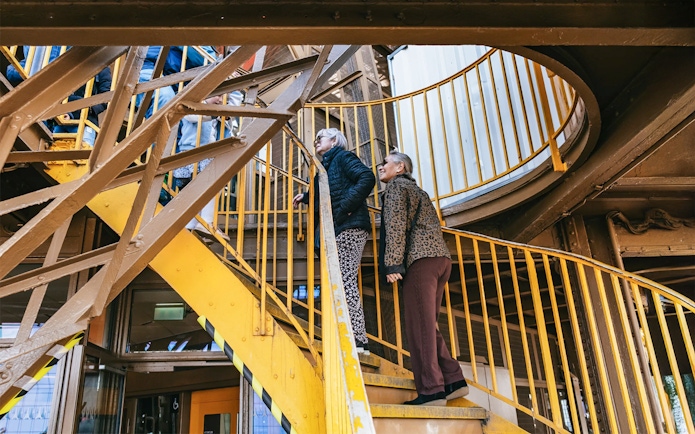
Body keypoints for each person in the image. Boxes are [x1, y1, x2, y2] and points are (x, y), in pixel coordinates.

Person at [378, 150, 469, 406]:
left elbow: (396, 224)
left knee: (419, 327)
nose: (380, 167)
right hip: (440, 260)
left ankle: (431, 390)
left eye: (385, 163)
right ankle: (453, 380)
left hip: (421, 262)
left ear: (400, 168)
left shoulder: (397, 188)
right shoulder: (418, 191)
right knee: (428, 323)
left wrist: (392, 263)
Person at [292, 128, 376, 354]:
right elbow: (328, 191)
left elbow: (367, 177)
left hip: (349, 226)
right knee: (341, 281)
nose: (317, 140)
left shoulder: (342, 157)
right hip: (340, 227)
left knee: (345, 280)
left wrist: (344, 208)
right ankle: (353, 338)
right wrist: (307, 197)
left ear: (335, 140)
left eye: (322, 137)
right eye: (316, 137)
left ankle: (358, 340)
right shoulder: (325, 167)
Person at [172, 94, 229, 242]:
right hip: (192, 153)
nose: (220, 100)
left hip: (204, 154)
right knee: (213, 183)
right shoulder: (194, 107)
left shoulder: (212, 112)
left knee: (200, 192)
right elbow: (194, 117)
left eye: (223, 97)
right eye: (217, 95)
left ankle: (192, 226)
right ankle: (207, 222)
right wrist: (215, 113)